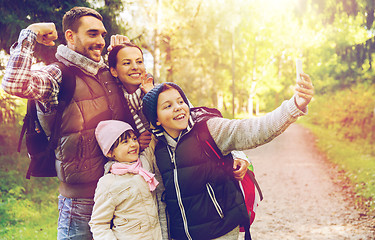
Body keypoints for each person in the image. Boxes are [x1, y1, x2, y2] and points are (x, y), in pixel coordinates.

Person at [1, 6, 143, 240]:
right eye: (92, 34)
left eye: (102, 35)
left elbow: (141, 103)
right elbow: (15, 84)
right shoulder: (57, 75)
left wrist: (123, 54)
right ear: (70, 36)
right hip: (81, 205)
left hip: (121, 196)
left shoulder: (107, 73)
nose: (100, 41)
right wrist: (30, 33)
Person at [141, 76, 314, 239]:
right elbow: (162, 200)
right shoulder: (159, 150)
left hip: (221, 231)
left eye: (180, 101)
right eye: (167, 106)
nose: (178, 107)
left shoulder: (208, 130)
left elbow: (255, 130)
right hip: (182, 235)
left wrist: (294, 106)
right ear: (156, 120)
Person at [89, 120, 162, 239]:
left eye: (134, 139)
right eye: (125, 142)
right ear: (110, 152)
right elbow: (98, 224)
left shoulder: (145, 163)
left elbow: (153, 135)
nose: (133, 144)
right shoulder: (108, 183)